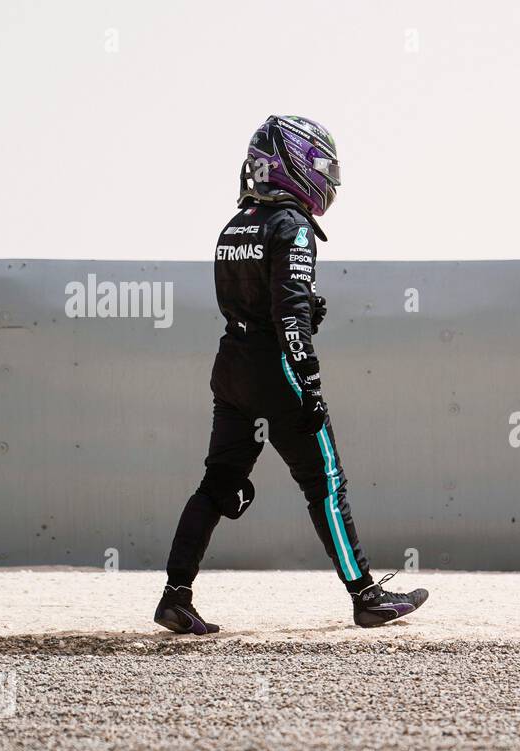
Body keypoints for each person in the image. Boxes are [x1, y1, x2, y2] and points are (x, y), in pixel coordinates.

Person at [155, 115, 427, 634]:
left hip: (231, 367)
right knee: (325, 483)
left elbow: (252, 304)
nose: (328, 178)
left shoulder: (233, 226)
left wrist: (292, 317)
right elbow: (289, 318)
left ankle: (175, 596)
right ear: (292, 165)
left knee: (216, 485)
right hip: (276, 370)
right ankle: (366, 595)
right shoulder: (293, 226)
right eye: (321, 165)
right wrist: (310, 384)